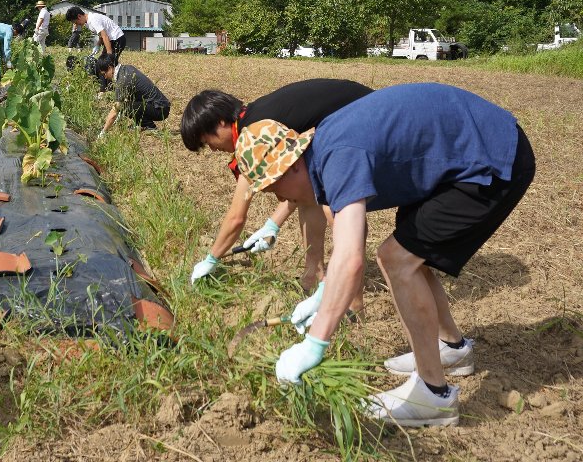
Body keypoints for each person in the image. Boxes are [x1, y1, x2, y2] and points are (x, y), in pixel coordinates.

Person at [231, 83, 534, 427]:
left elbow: (349, 257)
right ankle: (452, 347)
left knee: (397, 258)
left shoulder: (338, 156)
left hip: (491, 157)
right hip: (459, 153)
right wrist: (324, 296)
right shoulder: (324, 153)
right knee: (406, 252)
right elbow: (351, 242)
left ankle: (434, 398)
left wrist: (315, 342)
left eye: (273, 189)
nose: (277, 199)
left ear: (289, 167)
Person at [182, 80, 373, 292]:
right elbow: (300, 188)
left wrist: (211, 259)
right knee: (313, 196)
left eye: (207, 142)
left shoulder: (255, 135)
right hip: (356, 111)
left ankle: (352, 298)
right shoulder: (254, 118)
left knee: (336, 206)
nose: (212, 150)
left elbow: (236, 217)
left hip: (366, 116)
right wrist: (273, 225)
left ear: (221, 123)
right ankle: (313, 275)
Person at [94, 54, 170, 135]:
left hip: (160, 109)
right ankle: (141, 124)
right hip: (160, 106)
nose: (105, 77)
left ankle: (148, 125)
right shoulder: (126, 69)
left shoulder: (122, 80)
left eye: (104, 74)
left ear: (110, 68)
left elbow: (115, 110)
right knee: (126, 104)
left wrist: (103, 132)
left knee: (124, 107)